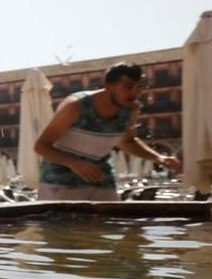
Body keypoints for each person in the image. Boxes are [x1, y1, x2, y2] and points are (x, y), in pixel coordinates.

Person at [33, 62, 181, 201]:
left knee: (109, 226)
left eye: (139, 86)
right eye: (128, 86)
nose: (135, 92)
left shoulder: (131, 109)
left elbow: (127, 142)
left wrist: (158, 157)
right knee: (63, 228)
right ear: (109, 86)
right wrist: (74, 163)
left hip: (101, 178)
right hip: (60, 181)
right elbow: (41, 146)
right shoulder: (76, 105)